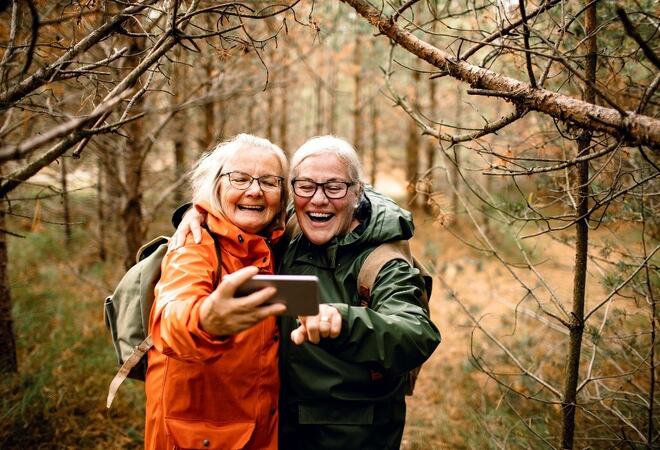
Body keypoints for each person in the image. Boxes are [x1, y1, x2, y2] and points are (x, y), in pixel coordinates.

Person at [175, 135, 440, 450]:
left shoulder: (382, 260)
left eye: (334, 187)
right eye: (306, 186)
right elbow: (239, 208)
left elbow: (416, 333)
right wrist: (196, 213)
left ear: (358, 192)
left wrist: (342, 320)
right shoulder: (289, 230)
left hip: (351, 436)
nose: (318, 199)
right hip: (278, 428)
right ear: (293, 191)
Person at [145, 134, 289, 450]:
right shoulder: (195, 245)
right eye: (239, 178)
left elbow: (345, 190)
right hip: (196, 438)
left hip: (258, 432)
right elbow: (171, 317)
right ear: (216, 186)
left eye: (269, 181)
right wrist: (206, 321)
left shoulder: (278, 243)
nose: (254, 190)